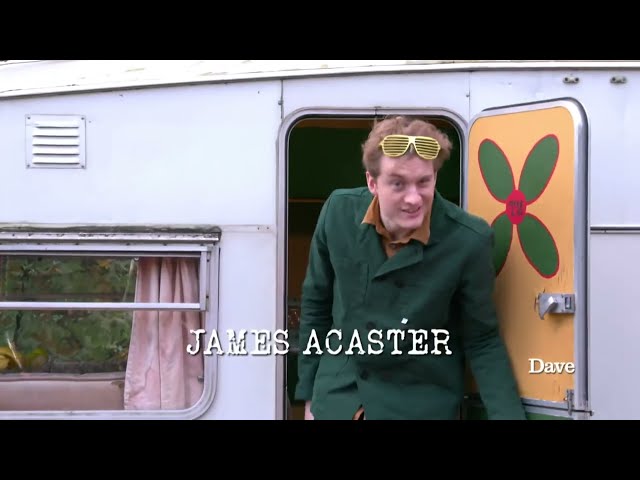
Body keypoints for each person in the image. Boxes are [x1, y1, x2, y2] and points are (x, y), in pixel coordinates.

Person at [294, 115, 526, 420]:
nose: (414, 198)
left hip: (417, 407)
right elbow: (316, 305)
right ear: (372, 182)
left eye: (423, 182)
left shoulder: (469, 240)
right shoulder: (338, 211)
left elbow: (482, 339)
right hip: (338, 401)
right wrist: (310, 397)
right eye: (398, 183)